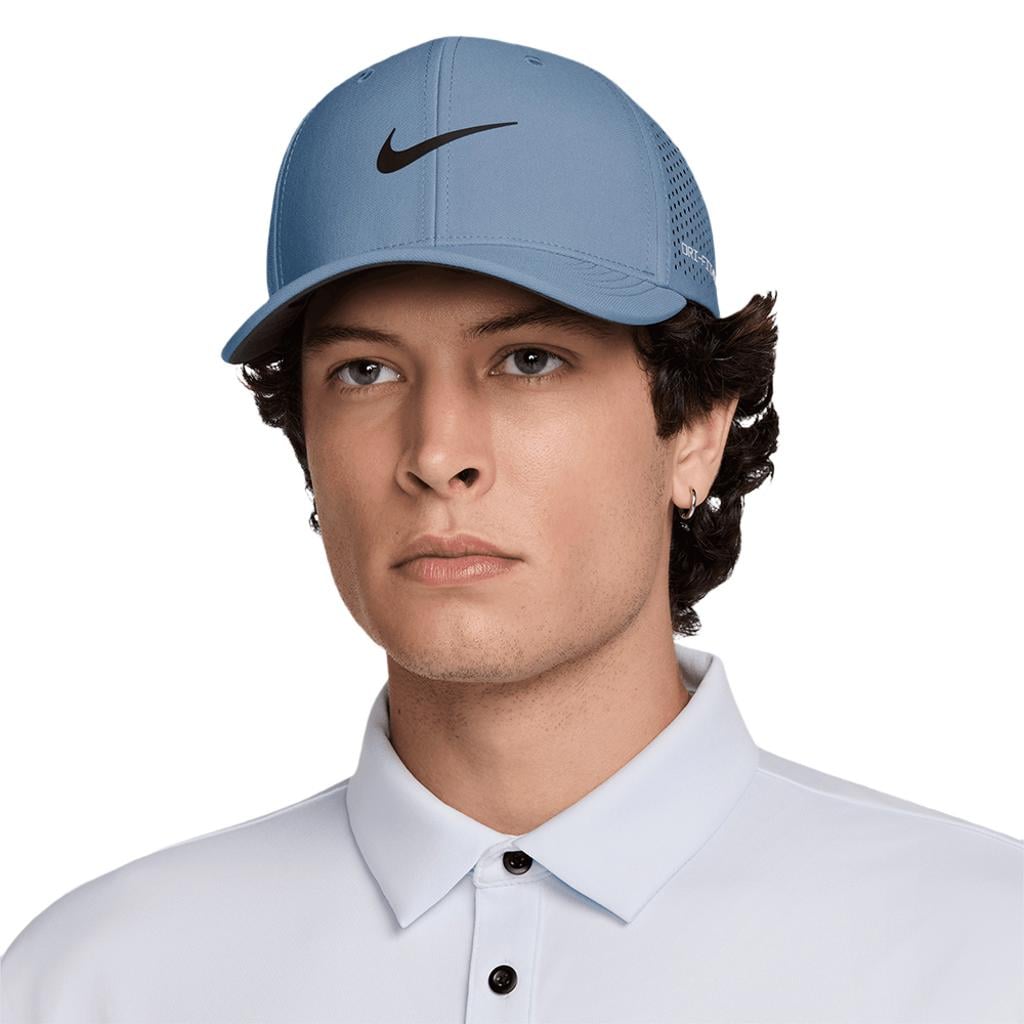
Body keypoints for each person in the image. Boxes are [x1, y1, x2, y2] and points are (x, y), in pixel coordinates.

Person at [2, 34, 1020, 1024]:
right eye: (365, 370)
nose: (437, 452)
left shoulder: (979, 953)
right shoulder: (97, 982)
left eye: (530, 360)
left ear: (694, 431)